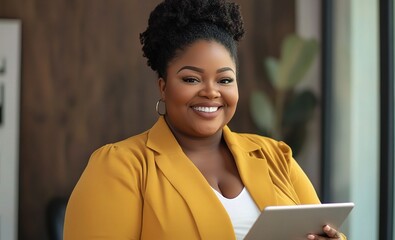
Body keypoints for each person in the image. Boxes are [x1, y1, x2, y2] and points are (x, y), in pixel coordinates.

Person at [63, 0, 347, 239]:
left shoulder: (276, 156)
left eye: (224, 79)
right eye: (191, 78)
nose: (211, 92)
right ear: (163, 86)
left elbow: (325, 229)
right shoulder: (121, 167)